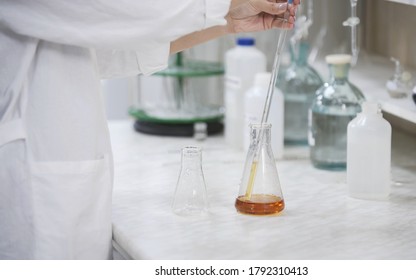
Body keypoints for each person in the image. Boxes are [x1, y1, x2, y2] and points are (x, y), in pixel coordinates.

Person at [0, 0, 299, 259]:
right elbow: (116, 10)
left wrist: (227, 22)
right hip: (32, 193)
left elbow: (105, 51)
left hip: (59, 182)